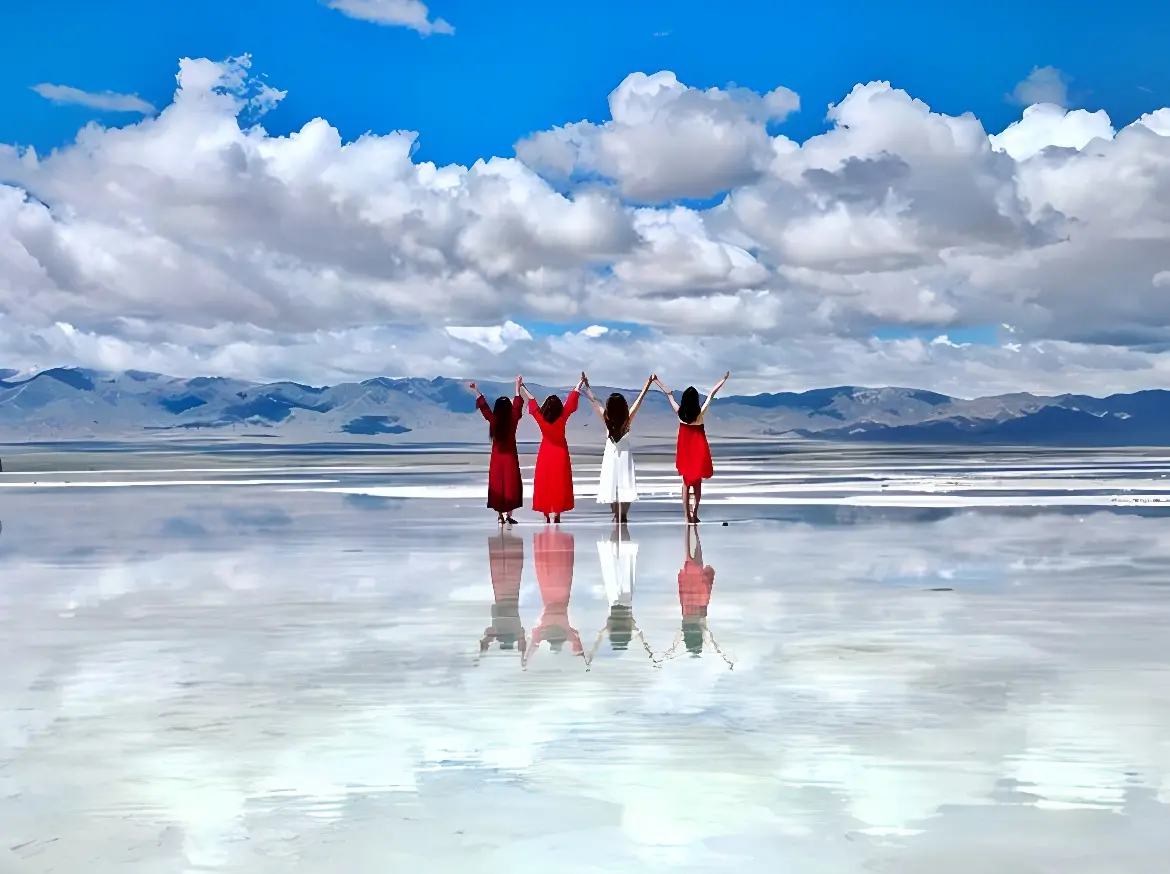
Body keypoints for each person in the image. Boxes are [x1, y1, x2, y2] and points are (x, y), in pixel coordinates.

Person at [653, 371, 730, 523]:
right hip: (699, 449)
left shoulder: (680, 413)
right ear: (695, 400)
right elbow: (711, 394)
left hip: (685, 450)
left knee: (686, 482)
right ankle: (694, 513)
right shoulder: (700, 414)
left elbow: (669, 395)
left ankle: (686, 515)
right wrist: (723, 380)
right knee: (697, 482)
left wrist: (657, 381)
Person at [581, 372, 654, 524]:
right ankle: (623, 515)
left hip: (611, 455)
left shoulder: (606, 418)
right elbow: (639, 401)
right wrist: (647, 385)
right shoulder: (627, 420)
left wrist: (587, 386)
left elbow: (594, 402)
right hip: (625, 455)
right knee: (625, 483)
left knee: (612, 483)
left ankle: (615, 514)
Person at [518, 374, 584, 523]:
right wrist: (580, 382)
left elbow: (532, 401)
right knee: (559, 482)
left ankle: (546, 514)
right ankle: (558, 513)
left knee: (545, 482)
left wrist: (522, 387)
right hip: (560, 452)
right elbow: (571, 400)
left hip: (545, 453)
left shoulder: (541, 418)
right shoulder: (562, 416)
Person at [522, 527, 584, 668]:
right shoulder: (543, 631)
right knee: (548, 570)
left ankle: (560, 543)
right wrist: (526, 659)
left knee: (562, 569)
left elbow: (577, 641)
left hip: (562, 595)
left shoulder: (566, 631)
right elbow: (534, 643)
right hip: (548, 594)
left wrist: (582, 657)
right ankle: (547, 544)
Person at [469, 378, 524, 525]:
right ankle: (508, 515)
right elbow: (517, 406)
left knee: (498, 484)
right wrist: (517, 388)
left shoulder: (494, 420)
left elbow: (484, 408)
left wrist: (476, 391)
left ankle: (500, 515)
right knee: (511, 484)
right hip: (511, 457)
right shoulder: (512, 419)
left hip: (497, 458)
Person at [477, 530, 527, 661]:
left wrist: (522, 656)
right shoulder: (498, 633)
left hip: (511, 599)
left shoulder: (514, 633)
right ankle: (499, 546)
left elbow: (522, 637)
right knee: (499, 573)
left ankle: (511, 546)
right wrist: (481, 654)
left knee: (512, 574)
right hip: (501, 599)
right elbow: (486, 638)